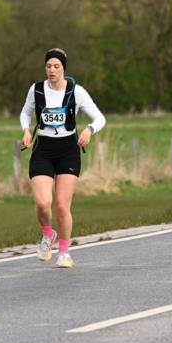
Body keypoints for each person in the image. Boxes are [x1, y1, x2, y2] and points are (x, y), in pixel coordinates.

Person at [20, 48, 106, 268]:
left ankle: (65, 253)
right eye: (48, 66)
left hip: (68, 150)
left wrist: (88, 130)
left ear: (64, 68)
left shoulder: (76, 92)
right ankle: (48, 235)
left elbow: (100, 118)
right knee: (42, 203)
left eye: (56, 66)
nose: (52, 70)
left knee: (61, 205)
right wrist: (26, 130)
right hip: (43, 149)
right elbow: (25, 113)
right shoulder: (37, 90)